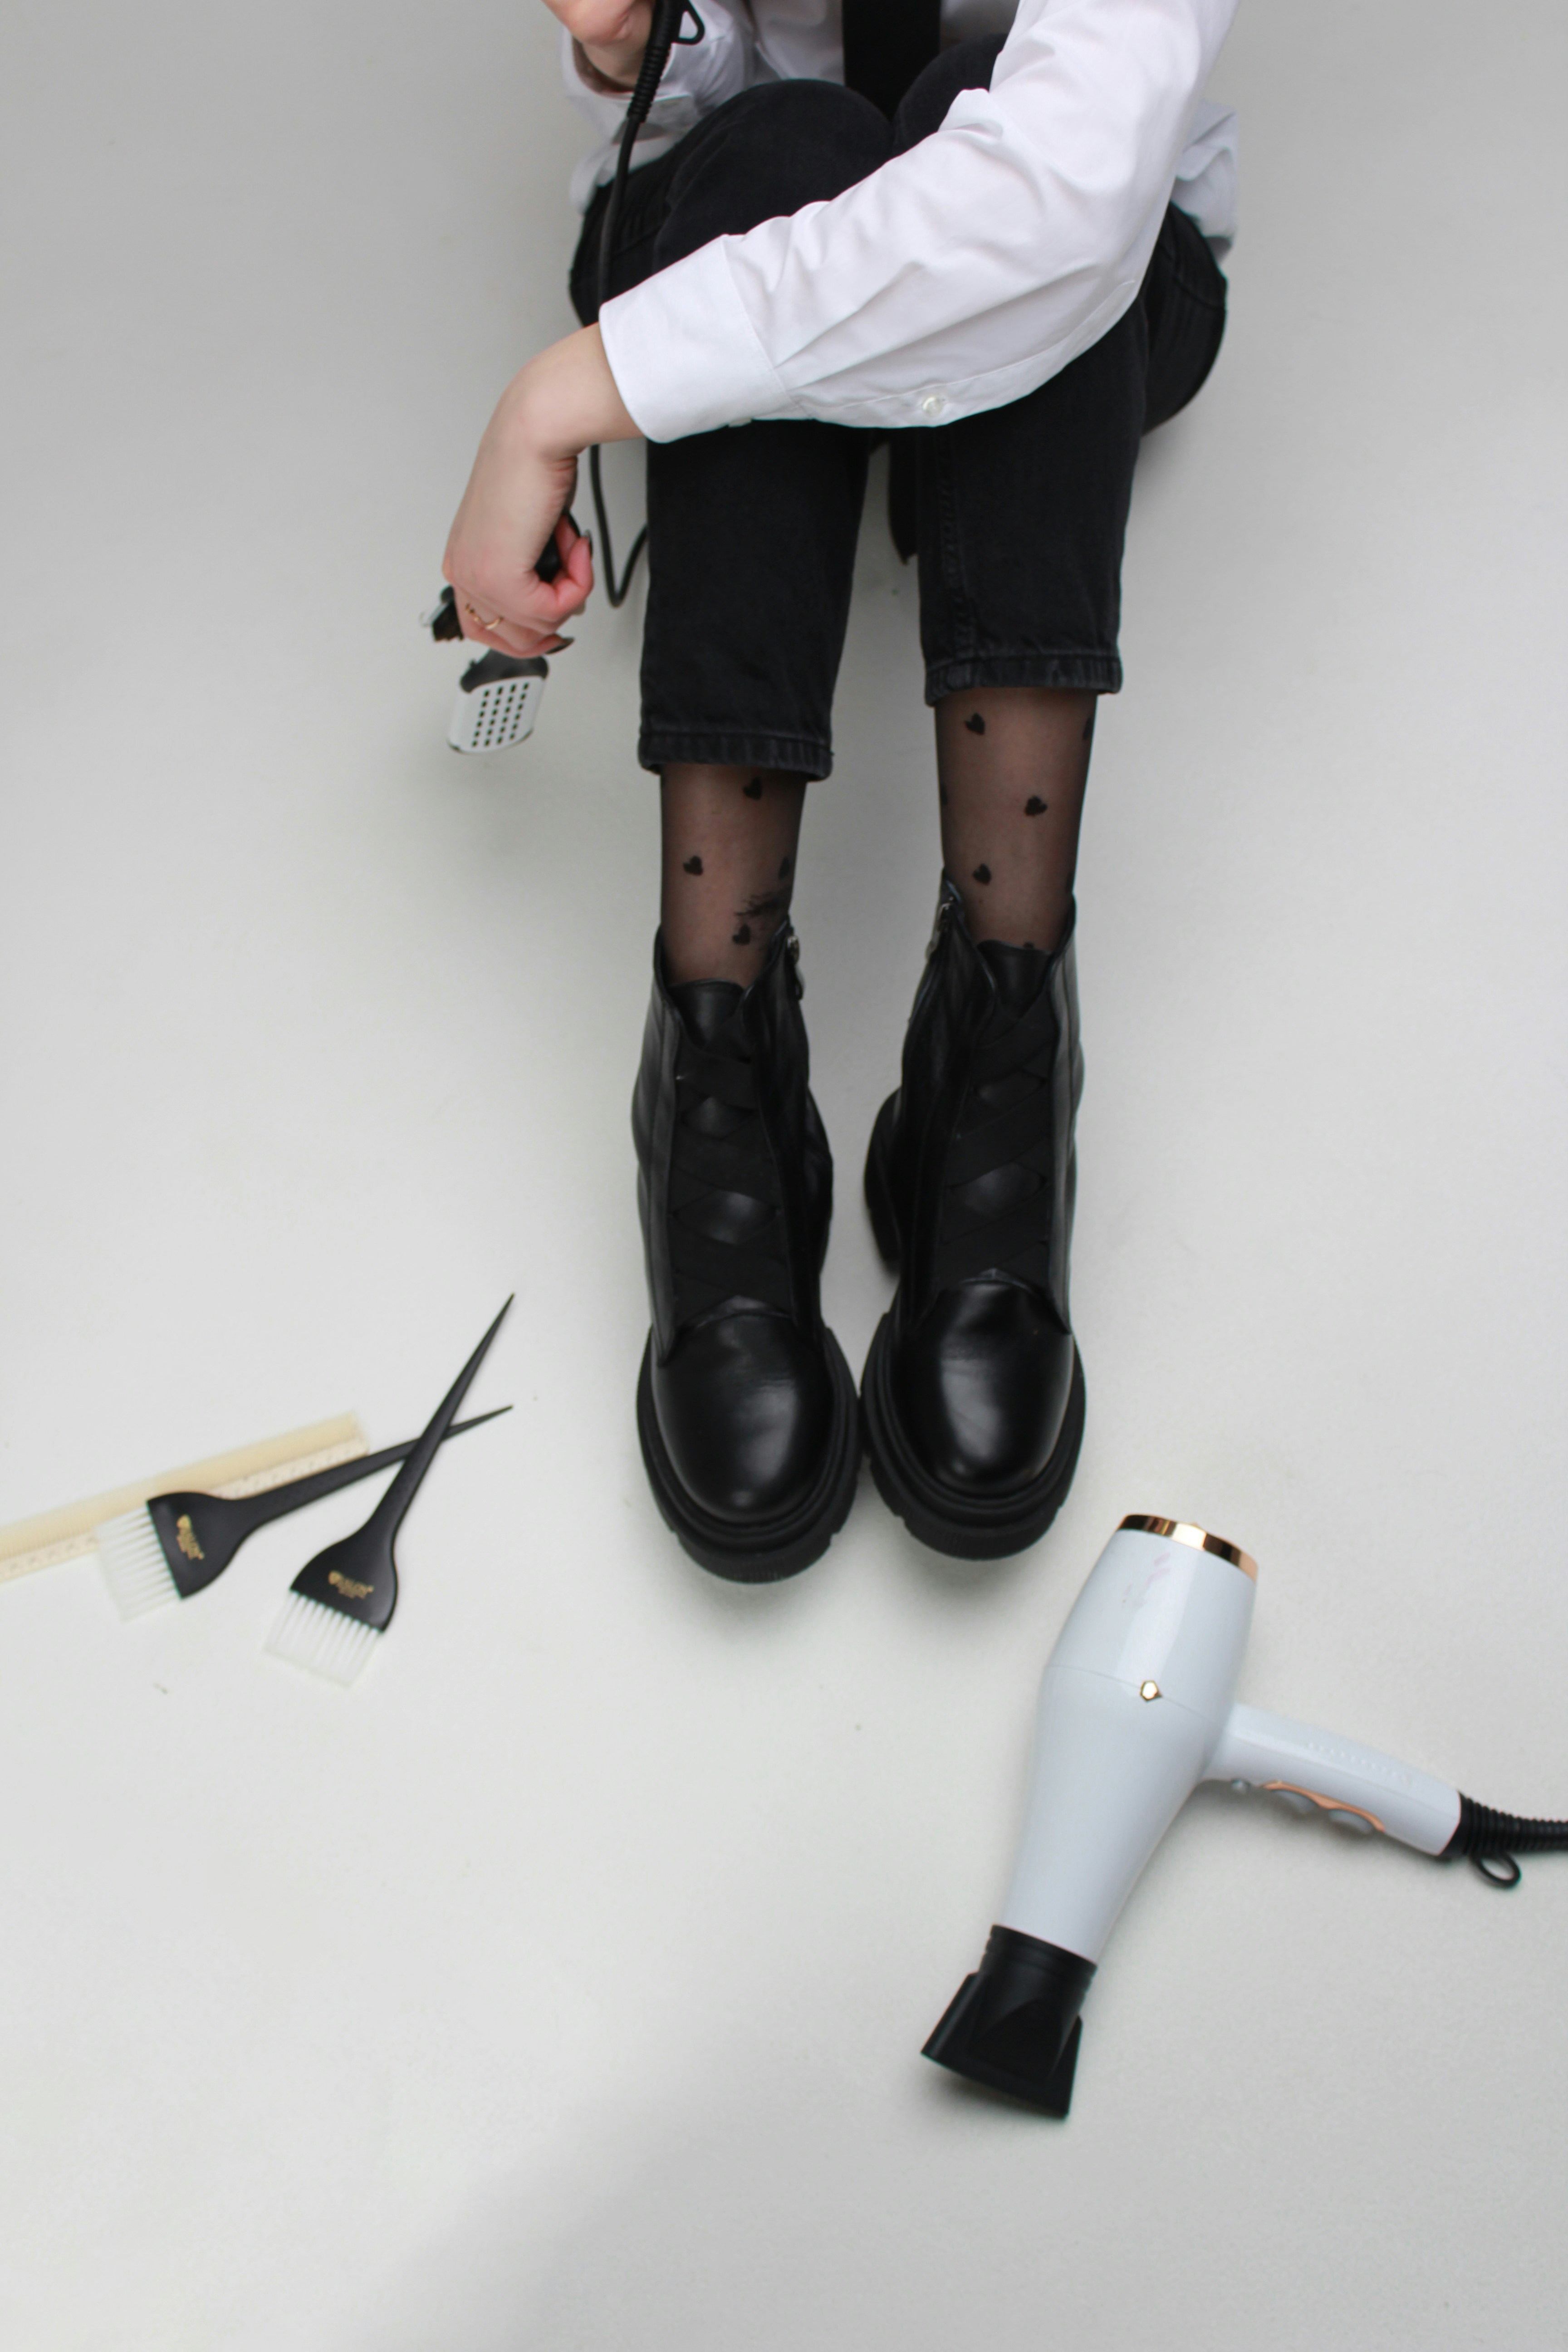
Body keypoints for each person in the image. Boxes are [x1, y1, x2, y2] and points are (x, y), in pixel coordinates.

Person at [443, 0, 1237, 1581]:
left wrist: (549, 404)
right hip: (755, 206)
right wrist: (633, 51)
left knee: (989, 129)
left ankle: (1000, 1033)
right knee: (789, 141)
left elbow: (1057, 198)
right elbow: (722, 102)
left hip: (1108, 276)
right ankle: (717, 1058)